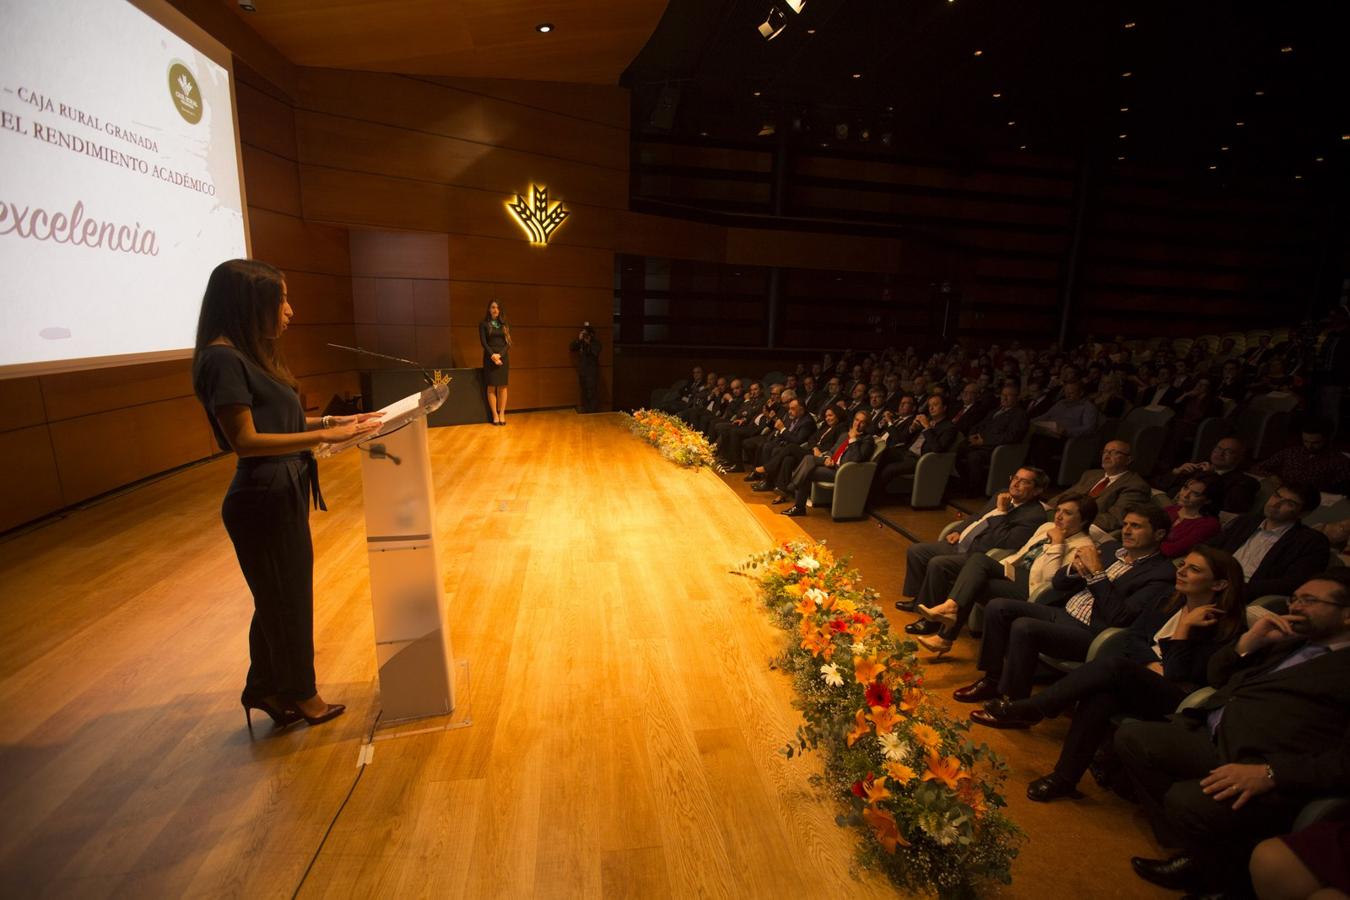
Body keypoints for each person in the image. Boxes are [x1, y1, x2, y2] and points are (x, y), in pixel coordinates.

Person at [191, 259, 382, 732]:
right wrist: (323, 440)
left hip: (280, 489)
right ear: (251, 304)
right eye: (282, 300)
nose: (291, 311)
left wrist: (334, 424)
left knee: (277, 599)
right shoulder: (222, 359)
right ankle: (303, 695)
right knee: (287, 600)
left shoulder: (248, 354)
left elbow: (283, 423)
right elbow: (246, 441)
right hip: (261, 496)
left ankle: (266, 689)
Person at [1118, 570, 1350, 898]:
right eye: (1295, 598)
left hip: (1263, 762)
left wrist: (1271, 773)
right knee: (1134, 739)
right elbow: (1217, 674)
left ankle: (1213, 875)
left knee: (1184, 801)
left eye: (1309, 601)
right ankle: (1196, 851)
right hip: (1213, 732)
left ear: (1346, 615)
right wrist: (1248, 643)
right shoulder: (1288, 641)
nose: (1296, 606)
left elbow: (1343, 761)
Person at [978, 547, 1246, 801]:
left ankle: (1037, 706)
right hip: (1139, 676)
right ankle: (1063, 779)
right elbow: (1134, 638)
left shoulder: (1224, 627)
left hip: (1177, 700)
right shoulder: (1168, 599)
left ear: (1219, 585)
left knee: (1114, 666)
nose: (1183, 571)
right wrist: (1151, 662)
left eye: (1195, 569)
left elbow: (1176, 674)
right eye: (1183, 564)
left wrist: (1183, 630)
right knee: (1100, 696)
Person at [952, 505, 1177, 706]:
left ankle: (1013, 703)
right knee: (998, 607)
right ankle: (992, 680)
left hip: (1092, 632)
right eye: (1126, 524)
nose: (1127, 531)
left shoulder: (1160, 574)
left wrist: (1097, 574)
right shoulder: (1111, 551)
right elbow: (1058, 583)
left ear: (1158, 534)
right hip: (1063, 611)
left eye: (1136, 526)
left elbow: (1120, 617)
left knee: (1024, 626)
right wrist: (1074, 569)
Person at [913, 493, 1097, 655]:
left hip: (1034, 587)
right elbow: (1021, 554)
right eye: (1059, 510)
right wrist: (997, 568)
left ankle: (945, 636)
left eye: (1068, 513)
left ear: (1083, 520)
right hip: (1016, 571)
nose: (1059, 516)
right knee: (978, 560)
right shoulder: (1047, 527)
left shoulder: (1083, 547)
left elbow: (1050, 581)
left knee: (976, 585)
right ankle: (950, 608)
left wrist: (1057, 544)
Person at [1206, 482, 1331, 600]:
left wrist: (1234, 588)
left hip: (1246, 594)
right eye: (1277, 495)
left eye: (1289, 503)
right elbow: (1210, 546)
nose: (1275, 504)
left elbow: (1291, 584)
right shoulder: (1246, 521)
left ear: (1303, 513)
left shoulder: (1311, 541)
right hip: (1210, 581)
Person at [779, 410, 873, 517]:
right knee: (808, 458)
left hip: (842, 471)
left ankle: (796, 500)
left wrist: (853, 439)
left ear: (867, 425)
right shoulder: (844, 435)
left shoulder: (867, 440)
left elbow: (857, 458)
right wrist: (828, 457)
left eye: (862, 422)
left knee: (808, 471)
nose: (858, 424)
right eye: (856, 420)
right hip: (831, 464)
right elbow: (832, 451)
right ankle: (794, 490)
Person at [1055, 440, 1153, 533]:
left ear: (1128, 460)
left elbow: (1114, 519)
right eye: (1105, 452)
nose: (1107, 455)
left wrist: (1076, 521)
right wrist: (1049, 509)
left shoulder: (1135, 485)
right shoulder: (1091, 474)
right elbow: (1064, 497)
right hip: (1062, 520)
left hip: (1088, 529)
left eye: (1115, 452)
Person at [1156, 436, 1261, 516]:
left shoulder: (1245, 482)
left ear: (1240, 458)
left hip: (1186, 513)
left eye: (1228, 452)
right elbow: (1158, 485)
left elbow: (1227, 508)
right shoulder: (1198, 468)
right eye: (1218, 448)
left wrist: (1209, 475)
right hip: (1165, 503)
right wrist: (1176, 472)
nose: (1220, 454)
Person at [957, 383, 1031, 493]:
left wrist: (984, 441)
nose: (1004, 398)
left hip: (997, 449)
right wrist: (973, 435)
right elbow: (978, 425)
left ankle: (974, 489)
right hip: (981, 443)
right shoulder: (995, 411)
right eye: (1002, 395)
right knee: (957, 449)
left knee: (974, 457)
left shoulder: (1019, 415)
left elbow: (1011, 437)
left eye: (1009, 395)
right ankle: (961, 483)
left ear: (1017, 397)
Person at [1252, 419, 1350, 494]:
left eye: (1316, 443)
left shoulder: (1339, 461)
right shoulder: (1291, 452)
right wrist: (1272, 476)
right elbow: (1259, 467)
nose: (1310, 446)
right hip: (1283, 493)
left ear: (1326, 439)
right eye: (1306, 441)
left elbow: (1341, 489)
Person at [1162, 474, 1223, 558]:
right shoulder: (1170, 509)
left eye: (1195, 494)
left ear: (1208, 500)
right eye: (1185, 488)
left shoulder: (1209, 525)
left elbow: (1172, 550)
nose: (1185, 495)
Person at [480, 300, 512, 425]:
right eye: (493, 307)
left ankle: (502, 413)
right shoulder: (483, 324)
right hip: (489, 357)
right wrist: (493, 355)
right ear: (489, 309)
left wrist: (500, 355)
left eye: (497, 308)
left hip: (503, 358)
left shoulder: (504, 324)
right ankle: (495, 415)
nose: (495, 310)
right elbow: (484, 342)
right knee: (491, 386)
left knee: (503, 386)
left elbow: (508, 343)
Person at [569, 323, 601, 413]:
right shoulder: (581, 343)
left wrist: (589, 343)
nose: (585, 336)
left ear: (591, 334)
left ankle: (592, 412)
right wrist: (579, 340)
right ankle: (586, 411)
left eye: (586, 334)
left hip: (592, 372)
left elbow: (596, 353)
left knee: (592, 393)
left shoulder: (596, 343)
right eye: (583, 333)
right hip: (582, 371)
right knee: (584, 392)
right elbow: (571, 347)